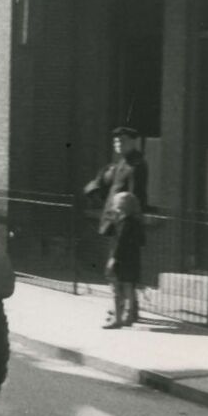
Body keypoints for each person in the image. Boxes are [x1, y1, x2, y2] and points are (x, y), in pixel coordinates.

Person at [84, 125, 150, 323]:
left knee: (120, 269)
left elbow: (132, 198)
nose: (118, 143)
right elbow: (108, 184)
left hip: (124, 223)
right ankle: (127, 309)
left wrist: (124, 220)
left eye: (122, 140)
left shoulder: (136, 164)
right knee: (123, 269)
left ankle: (122, 309)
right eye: (116, 141)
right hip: (116, 220)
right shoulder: (122, 162)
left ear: (133, 142)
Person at [102, 192, 145, 329]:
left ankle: (117, 319)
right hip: (133, 259)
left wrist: (113, 258)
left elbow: (118, 241)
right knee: (129, 288)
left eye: (115, 204)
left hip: (120, 259)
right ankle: (129, 316)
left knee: (115, 288)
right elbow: (142, 241)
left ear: (121, 206)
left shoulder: (123, 223)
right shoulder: (137, 222)